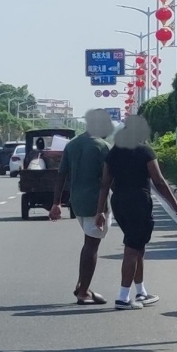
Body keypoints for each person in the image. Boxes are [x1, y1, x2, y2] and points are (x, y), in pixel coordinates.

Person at [94, 114, 177, 311]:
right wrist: (174, 203)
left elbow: (105, 183)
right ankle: (123, 297)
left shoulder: (114, 152)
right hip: (138, 203)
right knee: (132, 248)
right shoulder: (145, 151)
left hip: (119, 202)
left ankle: (141, 291)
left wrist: (100, 211)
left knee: (137, 245)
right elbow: (158, 181)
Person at [49, 110, 113, 305]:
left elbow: (61, 175)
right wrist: (102, 209)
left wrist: (56, 203)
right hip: (97, 203)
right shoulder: (103, 147)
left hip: (77, 201)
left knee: (89, 242)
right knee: (91, 246)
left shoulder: (72, 144)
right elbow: (108, 180)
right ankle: (83, 292)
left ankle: (82, 285)